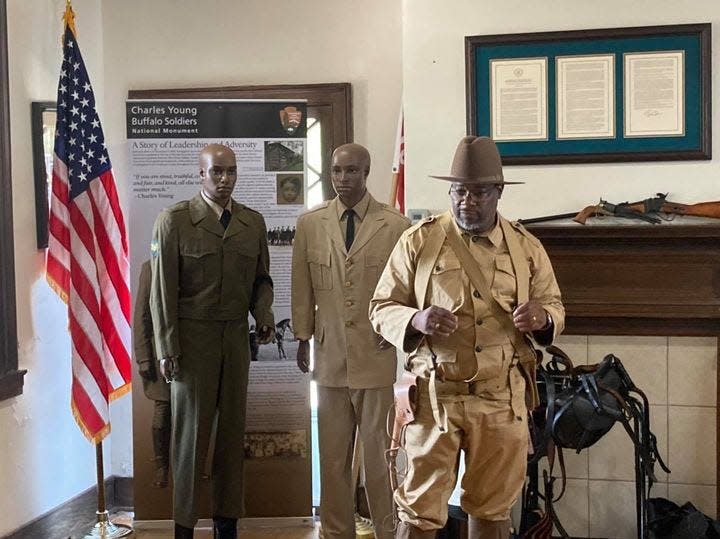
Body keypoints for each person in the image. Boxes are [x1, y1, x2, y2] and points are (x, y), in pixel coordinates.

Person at [369, 136, 565, 539]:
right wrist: (416, 319)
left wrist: (542, 316)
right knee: (419, 514)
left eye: (478, 192)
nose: (466, 201)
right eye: (459, 191)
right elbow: (380, 307)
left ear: (498, 193)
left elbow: (555, 305)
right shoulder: (419, 241)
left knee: (493, 511)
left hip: (500, 400)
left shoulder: (526, 248)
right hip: (433, 400)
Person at [150, 143, 275, 539]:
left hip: (236, 338)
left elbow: (261, 280)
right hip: (192, 340)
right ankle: (184, 526)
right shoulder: (175, 221)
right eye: (216, 172)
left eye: (231, 172)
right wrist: (167, 347)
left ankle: (227, 525)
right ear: (199, 173)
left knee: (231, 434)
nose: (224, 179)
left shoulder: (251, 223)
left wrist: (265, 314)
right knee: (189, 438)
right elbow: (162, 291)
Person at [291, 143, 410, 539]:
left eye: (353, 171)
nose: (344, 179)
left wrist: (397, 335)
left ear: (367, 171)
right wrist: (303, 337)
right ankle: (335, 532)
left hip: (375, 355)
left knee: (379, 459)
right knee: (333, 458)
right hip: (329, 356)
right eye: (337, 171)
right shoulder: (311, 224)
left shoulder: (394, 225)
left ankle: (386, 531)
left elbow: (406, 293)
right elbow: (302, 285)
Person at [133, 259, 171, 489]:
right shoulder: (150, 268)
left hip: (191, 356)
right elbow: (141, 317)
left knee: (193, 419)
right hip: (159, 357)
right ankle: (161, 466)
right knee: (161, 419)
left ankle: (193, 469)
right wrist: (144, 357)